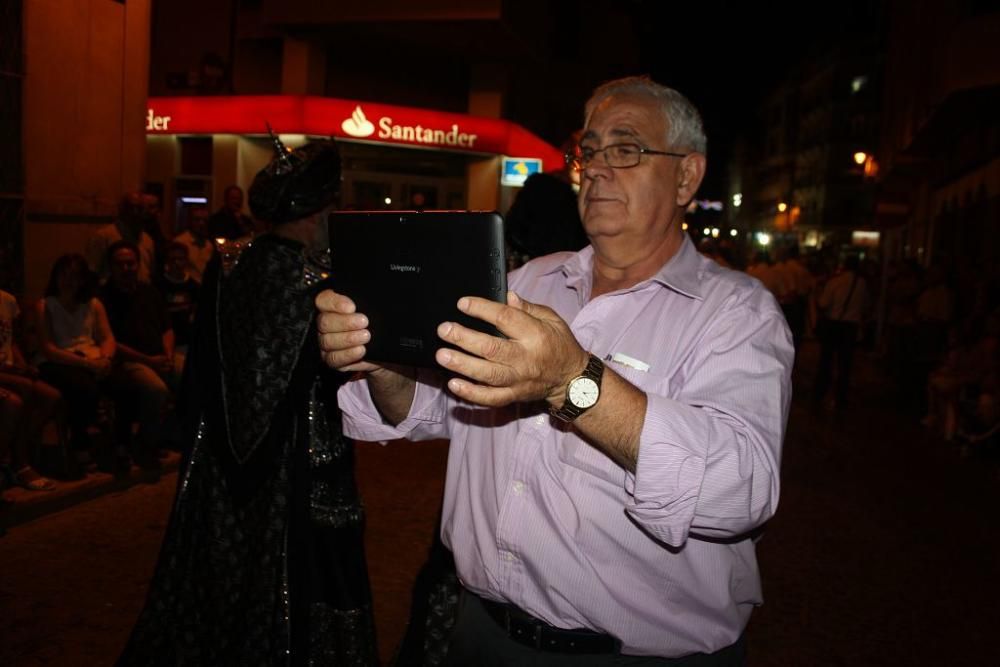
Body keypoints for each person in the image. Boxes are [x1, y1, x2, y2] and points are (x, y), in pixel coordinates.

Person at [317, 76, 793, 664]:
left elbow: (740, 491)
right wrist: (382, 361)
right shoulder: (529, 280)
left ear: (687, 177)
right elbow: (436, 406)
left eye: (626, 148)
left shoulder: (737, 312)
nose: (595, 169)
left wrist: (572, 382)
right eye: (589, 151)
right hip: (481, 635)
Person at [118, 136, 378, 666]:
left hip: (219, 465)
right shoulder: (323, 279)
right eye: (333, 206)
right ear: (316, 211)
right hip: (306, 464)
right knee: (304, 584)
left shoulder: (227, 264)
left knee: (222, 577)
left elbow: (203, 367)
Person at [35, 255, 116, 466]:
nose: (69, 280)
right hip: (57, 360)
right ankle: (80, 439)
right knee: (82, 386)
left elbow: (107, 337)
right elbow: (48, 348)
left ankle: (120, 443)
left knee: (123, 381)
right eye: (64, 275)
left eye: (74, 276)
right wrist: (88, 364)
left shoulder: (93, 304)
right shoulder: (46, 305)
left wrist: (106, 359)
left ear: (82, 279)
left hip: (92, 357)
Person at [0, 288, 60, 491]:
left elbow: (10, 341)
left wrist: (22, 365)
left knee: (50, 397)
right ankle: (20, 462)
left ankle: (16, 451)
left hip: (8, 369)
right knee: (22, 392)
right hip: (4, 371)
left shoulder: (6, 300)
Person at [813, 254, 869, 411]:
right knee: (845, 364)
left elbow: (823, 303)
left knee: (826, 362)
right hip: (850, 327)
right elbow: (865, 306)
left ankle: (820, 394)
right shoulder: (862, 284)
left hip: (834, 325)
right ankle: (841, 397)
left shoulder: (835, 282)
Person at [85, 192, 158, 283]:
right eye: (131, 208)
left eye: (140, 208)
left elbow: (149, 273)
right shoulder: (103, 237)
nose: (135, 212)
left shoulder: (148, 240)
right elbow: (92, 272)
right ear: (121, 209)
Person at [173, 205, 215, 283]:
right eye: (197, 220)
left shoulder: (209, 245)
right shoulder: (180, 242)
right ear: (190, 221)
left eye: (205, 220)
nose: (201, 223)